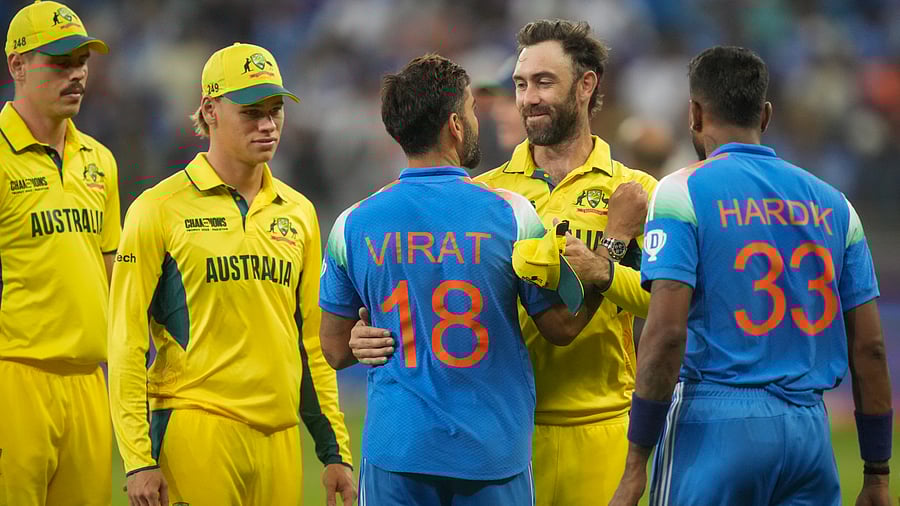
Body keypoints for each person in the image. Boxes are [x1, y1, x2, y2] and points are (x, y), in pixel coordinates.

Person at [349, 19, 656, 506]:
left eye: (544, 82)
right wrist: (365, 334)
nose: (528, 97)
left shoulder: (636, 193)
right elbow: (428, 291)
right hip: (502, 431)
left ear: (587, 84)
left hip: (599, 426)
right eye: (521, 83)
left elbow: (665, 304)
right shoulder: (488, 196)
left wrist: (609, 263)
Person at [609, 46, 893, 506]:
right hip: (809, 434)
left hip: (714, 425)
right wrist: (877, 474)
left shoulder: (682, 191)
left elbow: (664, 335)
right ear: (765, 115)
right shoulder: (837, 205)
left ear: (695, 114)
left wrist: (636, 461)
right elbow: (871, 349)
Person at [318, 53, 600, 505]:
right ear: (454, 124)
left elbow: (332, 349)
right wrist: (612, 254)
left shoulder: (353, 223)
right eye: (470, 108)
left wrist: (358, 338)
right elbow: (561, 326)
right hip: (491, 451)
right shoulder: (511, 214)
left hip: (397, 449)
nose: (475, 118)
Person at [108, 43, 356, 506]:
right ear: (210, 110)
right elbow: (124, 340)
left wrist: (334, 451)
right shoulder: (157, 210)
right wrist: (139, 459)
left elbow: (311, 342)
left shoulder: (299, 213)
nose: (268, 124)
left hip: (280, 440)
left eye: (276, 110)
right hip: (196, 427)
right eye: (252, 112)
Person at [0, 2, 118, 505]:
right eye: (61, 61)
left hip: (90, 383)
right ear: (18, 66)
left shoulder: (100, 161)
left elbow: (112, 272)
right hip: (15, 378)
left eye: (82, 61)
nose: (77, 74)